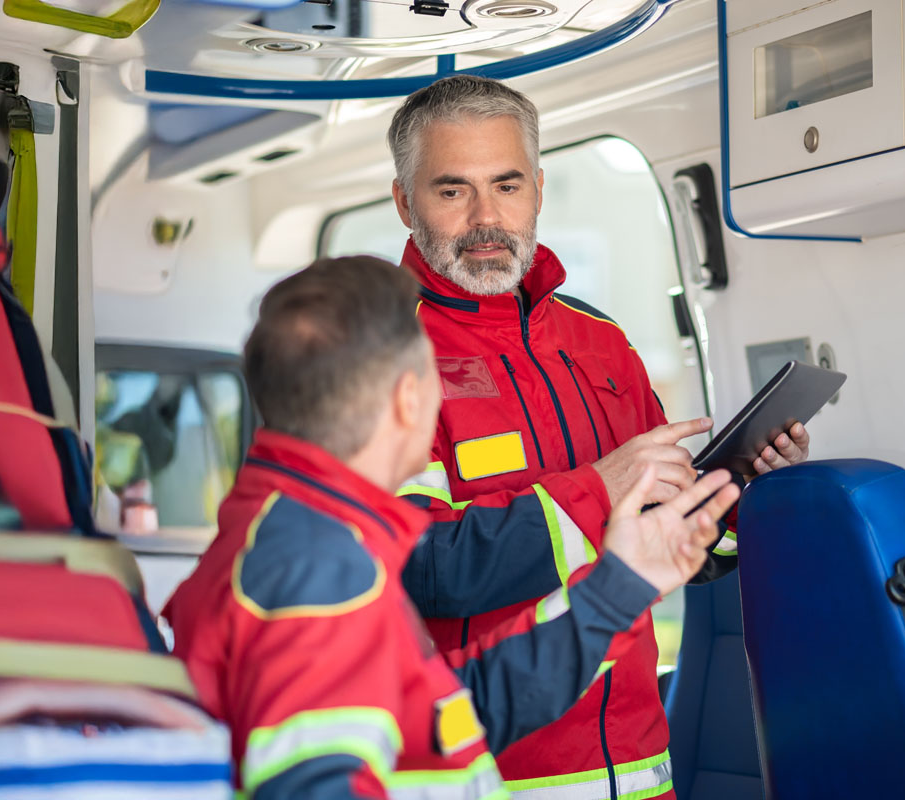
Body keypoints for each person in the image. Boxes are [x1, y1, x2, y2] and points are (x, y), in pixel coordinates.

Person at [163, 256, 741, 799]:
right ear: (409, 398)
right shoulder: (312, 573)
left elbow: (442, 717)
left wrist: (618, 589)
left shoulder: (304, 540)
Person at [386, 75, 811, 798]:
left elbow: (669, 541)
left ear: (540, 189)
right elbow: (419, 570)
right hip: (485, 776)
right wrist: (597, 490)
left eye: (508, 185)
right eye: (453, 190)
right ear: (405, 200)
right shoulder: (382, 352)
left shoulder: (599, 339)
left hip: (640, 768)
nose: (487, 217)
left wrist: (744, 493)